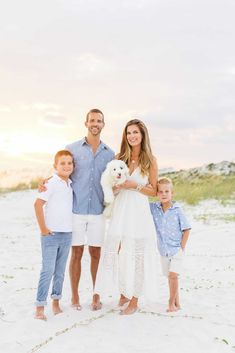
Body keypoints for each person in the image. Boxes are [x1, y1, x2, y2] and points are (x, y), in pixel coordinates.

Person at [94, 119, 159, 315]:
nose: (132, 136)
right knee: (119, 251)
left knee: (138, 254)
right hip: (121, 209)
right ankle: (123, 292)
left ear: (142, 135)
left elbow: (154, 191)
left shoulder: (150, 160)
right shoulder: (119, 157)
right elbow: (110, 183)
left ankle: (135, 300)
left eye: (135, 133)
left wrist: (134, 185)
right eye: (129, 133)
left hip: (138, 211)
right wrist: (114, 189)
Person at [65, 109, 114, 310]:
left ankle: (96, 296)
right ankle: (75, 297)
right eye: (92, 120)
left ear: (103, 124)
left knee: (96, 253)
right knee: (76, 253)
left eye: (99, 121)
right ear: (86, 123)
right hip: (76, 210)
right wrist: (46, 182)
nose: (95, 123)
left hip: (97, 212)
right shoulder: (72, 148)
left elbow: (113, 180)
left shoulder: (110, 154)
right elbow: (62, 171)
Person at [34, 150, 74, 320]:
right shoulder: (51, 183)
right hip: (50, 234)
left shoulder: (71, 183)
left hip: (67, 234)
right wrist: (43, 229)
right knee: (47, 270)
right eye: (62, 163)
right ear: (55, 166)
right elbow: (37, 205)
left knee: (60, 271)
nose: (66, 166)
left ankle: (56, 302)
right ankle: (40, 307)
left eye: (69, 163)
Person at [150, 177, 191, 312]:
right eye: (160, 191)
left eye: (167, 191)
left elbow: (186, 229)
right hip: (163, 251)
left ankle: (170, 303)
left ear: (172, 193)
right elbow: (140, 204)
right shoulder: (154, 208)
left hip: (176, 250)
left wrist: (182, 248)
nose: (163, 194)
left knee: (173, 275)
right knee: (171, 277)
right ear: (156, 193)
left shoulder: (177, 210)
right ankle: (177, 303)